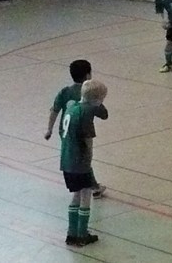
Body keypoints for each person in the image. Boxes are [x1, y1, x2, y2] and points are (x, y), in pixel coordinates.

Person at [45, 59, 107, 198]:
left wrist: (49, 129)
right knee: (84, 159)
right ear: (88, 75)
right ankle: (92, 187)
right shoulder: (88, 93)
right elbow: (103, 114)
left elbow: (54, 110)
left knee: (73, 157)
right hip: (82, 131)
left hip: (65, 131)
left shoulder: (65, 91)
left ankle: (84, 185)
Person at [61, 80, 107, 246]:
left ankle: (71, 233)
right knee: (86, 195)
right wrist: (88, 160)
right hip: (80, 161)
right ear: (97, 99)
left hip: (67, 160)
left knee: (76, 194)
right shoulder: (86, 113)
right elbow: (87, 140)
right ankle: (82, 234)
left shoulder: (72, 107)